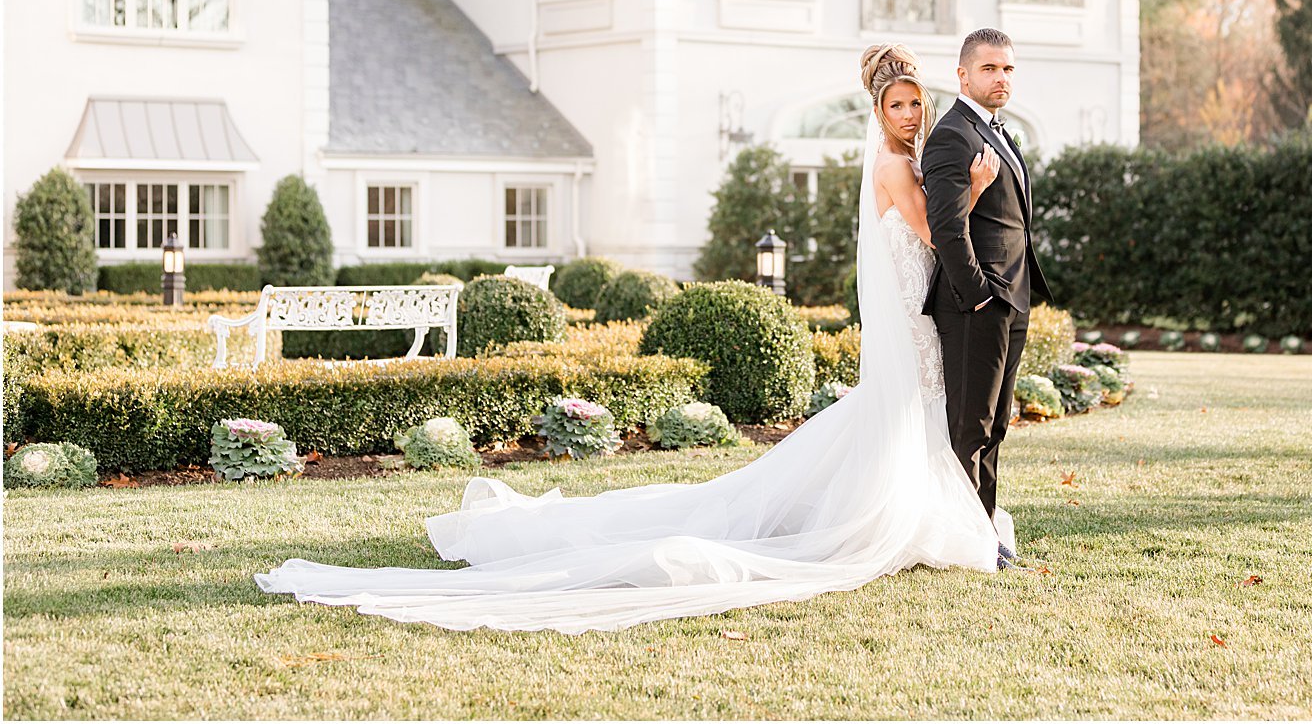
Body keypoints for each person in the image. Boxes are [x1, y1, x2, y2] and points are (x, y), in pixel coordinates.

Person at [254, 44, 1014, 634]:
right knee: (897, 416)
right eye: (900, 103)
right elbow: (930, 230)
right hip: (915, 319)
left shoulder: (904, 156)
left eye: (917, 103)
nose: (911, 114)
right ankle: (895, 520)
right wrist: (975, 190)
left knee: (894, 420)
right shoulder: (891, 164)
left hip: (915, 317)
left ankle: (913, 511)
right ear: (878, 108)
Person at [921, 28, 1054, 569]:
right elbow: (947, 228)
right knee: (969, 426)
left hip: (1012, 297)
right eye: (990, 69)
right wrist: (978, 295)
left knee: (995, 424)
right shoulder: (952, 136)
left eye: (1008, 70)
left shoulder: (999, 131)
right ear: (963, 75)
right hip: (976, 302)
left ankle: (985, 534)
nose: (1001, 79)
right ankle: (963, 540)